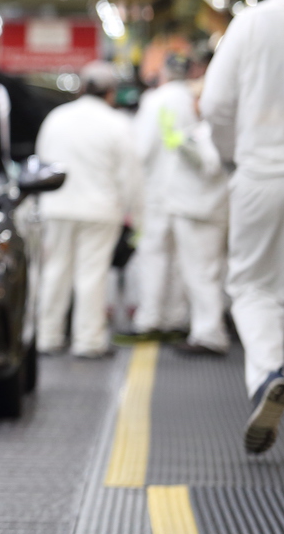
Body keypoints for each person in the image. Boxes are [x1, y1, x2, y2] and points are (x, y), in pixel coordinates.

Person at [202, 0, 284, 454]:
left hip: (267, 173)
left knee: (257, 285)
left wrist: (234, 154)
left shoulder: (253, 22)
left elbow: (215, 106)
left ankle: (268, 376)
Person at [34, 61, 141, 358]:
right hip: (100, 210)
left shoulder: (57, 117)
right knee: (91, 274)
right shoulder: (118, 123)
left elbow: (42, 159)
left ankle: (48, 335)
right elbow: (130, 174)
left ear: (82, 88)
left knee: (55, 271)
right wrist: (131, 210)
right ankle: (88, 341)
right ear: (111, 93)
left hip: (56, 206)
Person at [132, 53, 228, 354]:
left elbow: (142, 149)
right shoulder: (193, 101)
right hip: (190, 197)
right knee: (185, 263)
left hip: (168, 194)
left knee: (159, 255)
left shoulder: (156, 101)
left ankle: (152, 318)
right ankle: (177, 317)